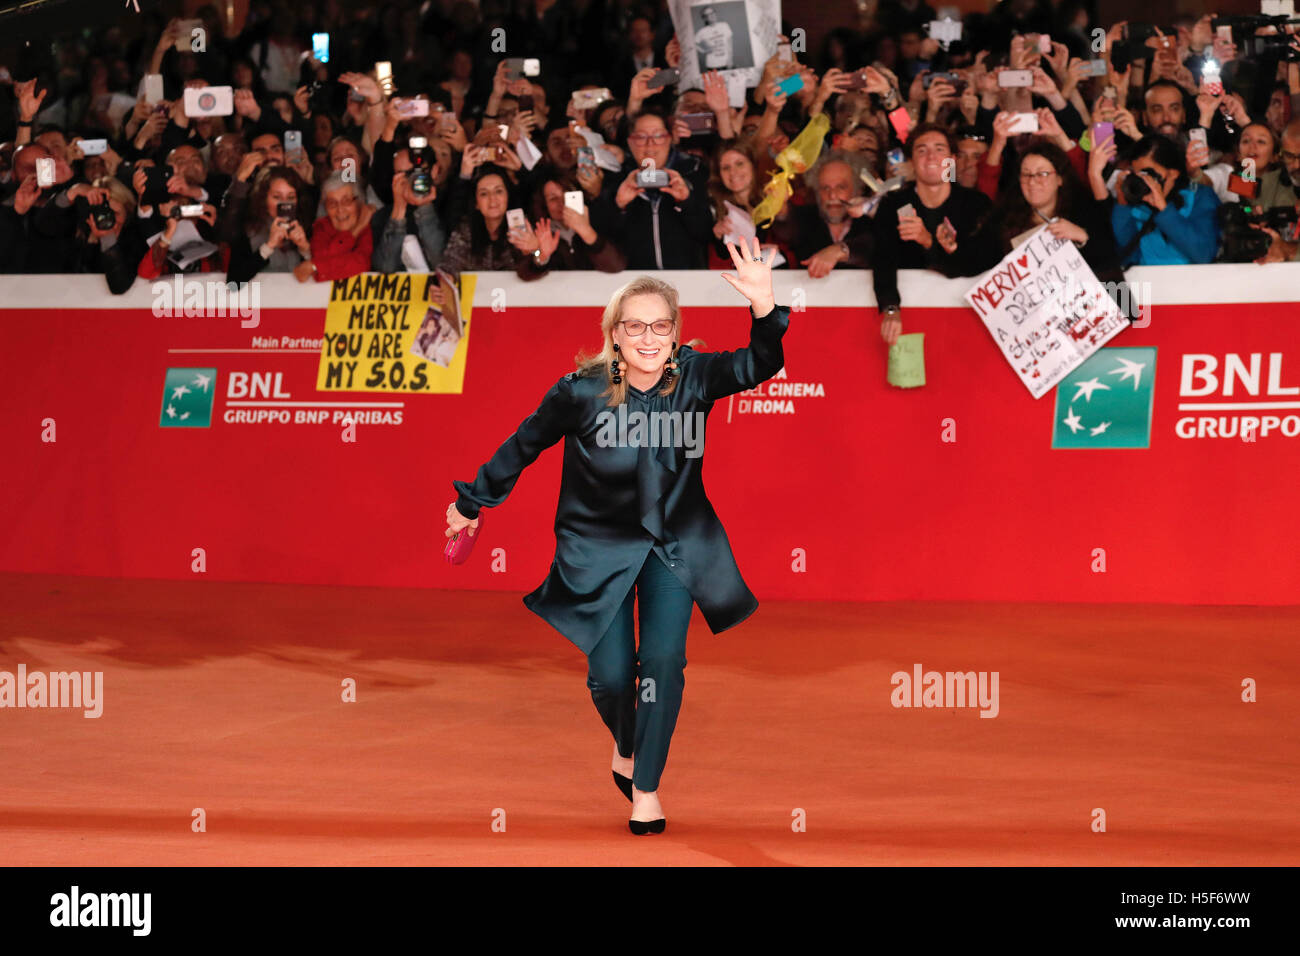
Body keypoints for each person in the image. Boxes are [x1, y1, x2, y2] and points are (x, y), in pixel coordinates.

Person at [445, 237, 790, 835]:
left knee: (661, 662)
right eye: (636, 327)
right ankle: (627, 742)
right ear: (615, 334)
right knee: (609, 677)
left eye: (661, 327)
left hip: (674, 545)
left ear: (676, 333)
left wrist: (764, 308)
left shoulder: (697, 378)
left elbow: (760, 364)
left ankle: (647, 790)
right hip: (596, 548)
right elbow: (524, 444)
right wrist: (473, 502)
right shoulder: (579, 390)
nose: (649, 338)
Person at [873, 123, 993, 345]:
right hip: (910, 318)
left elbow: (979, 263)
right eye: (921, 150)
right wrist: (890, 309)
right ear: (911, 162)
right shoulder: (893, 204)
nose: (930, 157)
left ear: (953, 160)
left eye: (940, 149)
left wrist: (928, 241)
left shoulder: (976, 204)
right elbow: (883, 259)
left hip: (969, 321)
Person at [1112, 134, 1220, 266]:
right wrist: (1122, 204)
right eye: (1138, 175)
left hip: (1192, 282)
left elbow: (1203, 255)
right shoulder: (1137, 200)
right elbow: (1127, 257)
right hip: (1147, 282)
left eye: (1148, 173)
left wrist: (1164, 210)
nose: (1144, 180)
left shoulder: (1200, 196)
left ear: (1173, 173)